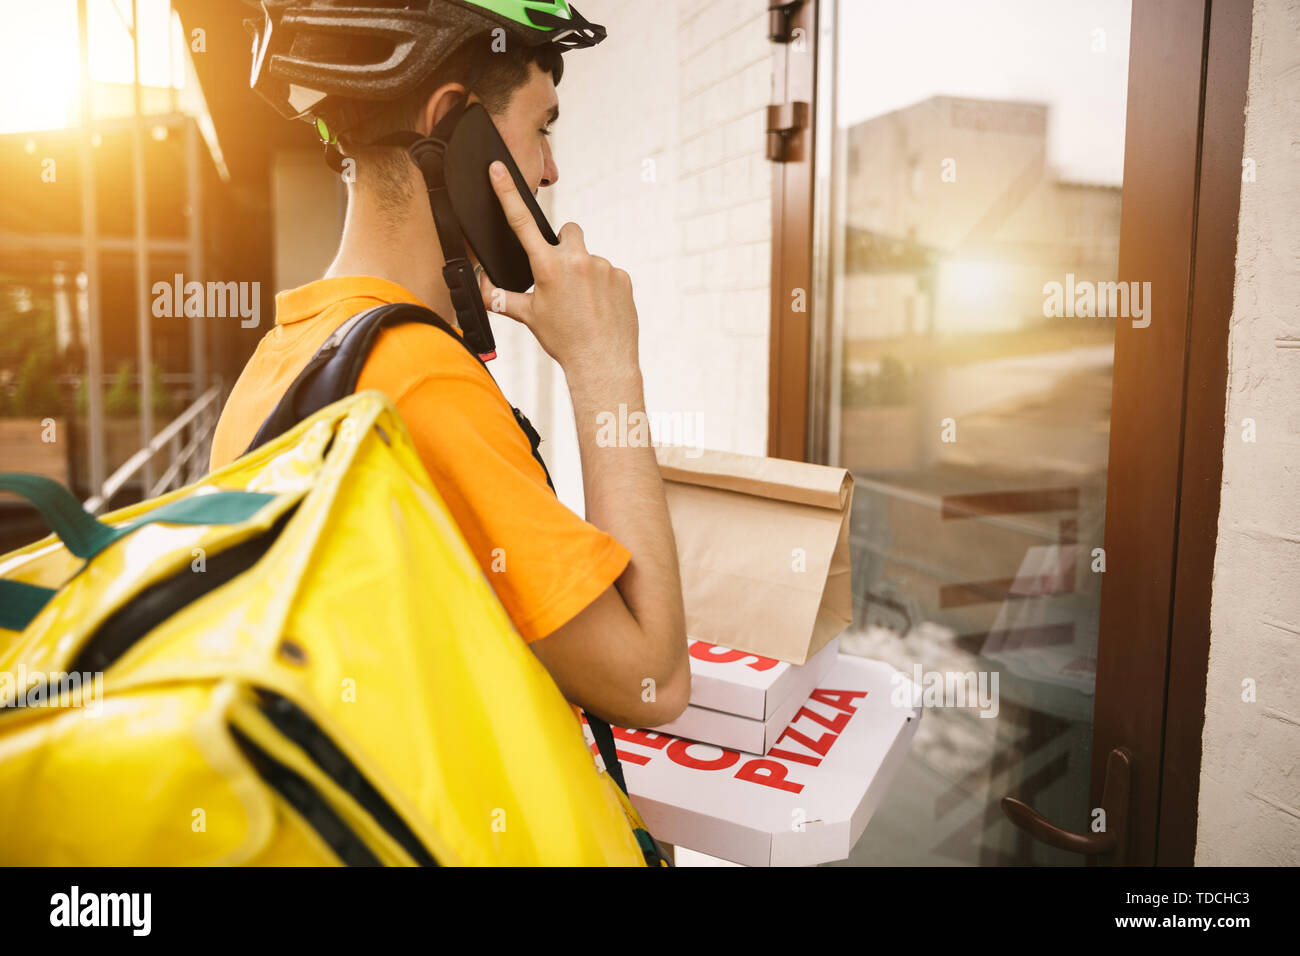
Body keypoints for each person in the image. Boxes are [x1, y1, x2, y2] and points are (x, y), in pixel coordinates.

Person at [209, 0, 690, 734]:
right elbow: (653, 681)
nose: (552, 169)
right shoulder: (418, 379)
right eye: (543, 128)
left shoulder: (282, 354)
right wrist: (605, 369)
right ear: (452, 127)